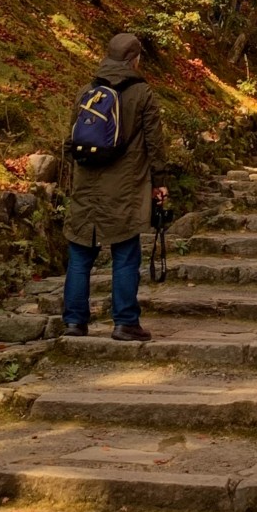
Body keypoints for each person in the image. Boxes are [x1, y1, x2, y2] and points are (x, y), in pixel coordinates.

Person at [63, 31, 169, 344]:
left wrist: (76, 178)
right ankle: (125, 322)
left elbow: (70, 143)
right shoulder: (142, 93)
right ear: (133, 60)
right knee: (125, 253)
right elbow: (154, 142)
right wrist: (160, 182)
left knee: (80, 254)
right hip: (124, 185)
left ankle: (74, 322)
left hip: (86, 185)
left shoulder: (87, 90)